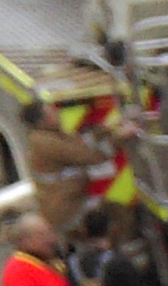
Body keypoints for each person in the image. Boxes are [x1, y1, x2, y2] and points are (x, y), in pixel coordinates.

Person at [20, 101, 106, 235]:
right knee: (114, 212)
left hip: (65, 203)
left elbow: (78, 141)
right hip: (67, 208)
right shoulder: (46, 143)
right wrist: (118, 139)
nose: (57, 115)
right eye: (52, 114)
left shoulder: (46, 135)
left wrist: (106, 129)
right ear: (41, 122)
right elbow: (87, 156)